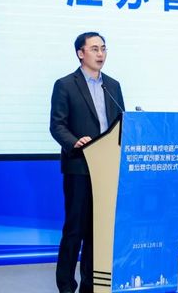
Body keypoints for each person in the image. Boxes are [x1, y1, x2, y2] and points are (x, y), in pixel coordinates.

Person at [50, 32, 124, 293]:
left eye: (103, 48)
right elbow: (57, 125)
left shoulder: (113, 86)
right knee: (75, 231)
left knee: (97, 232)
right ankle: (66, 286)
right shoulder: (65, 85)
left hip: (107, 169)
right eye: (94, 49)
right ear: (80, 53)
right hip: (80, 166)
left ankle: (90, 286)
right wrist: (74, 142)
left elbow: (121, 124)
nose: (100, 53)